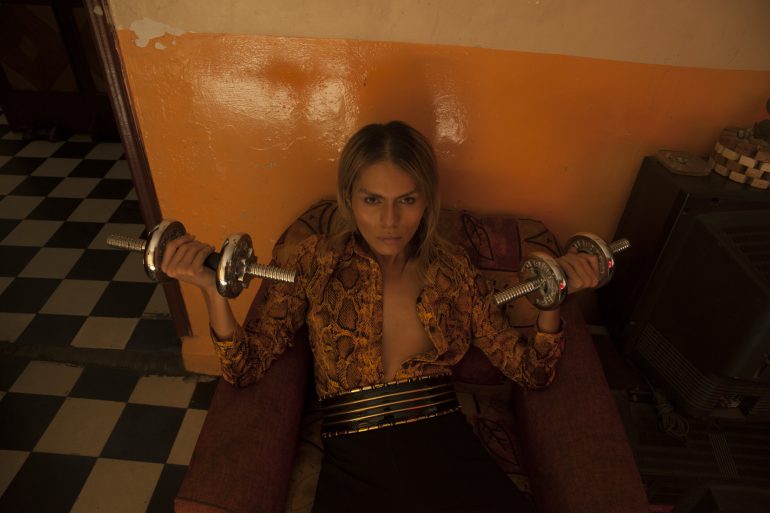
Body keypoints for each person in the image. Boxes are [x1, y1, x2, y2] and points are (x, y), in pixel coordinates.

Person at [162, 121, 601, 512]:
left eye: (406, 199)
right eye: (372, 199)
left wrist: (554, 300)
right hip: (355, 462)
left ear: (426, 201)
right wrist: (211, 290)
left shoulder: (453, 271)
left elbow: (532, 373)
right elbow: (245, 367)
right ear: (349, 199)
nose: (390, 220)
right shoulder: (314, 261)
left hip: (446, 449)